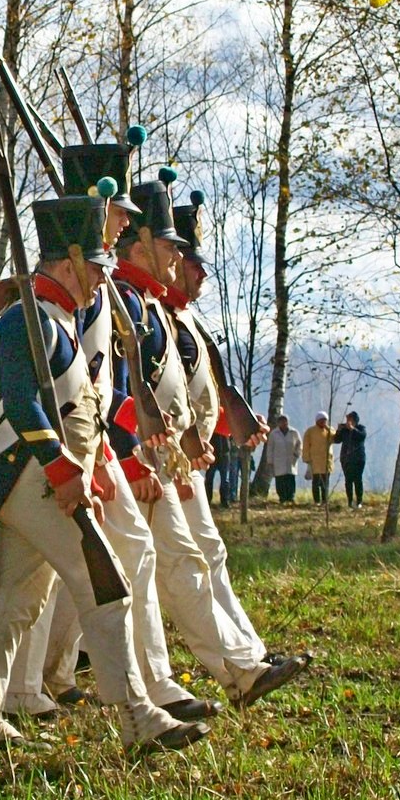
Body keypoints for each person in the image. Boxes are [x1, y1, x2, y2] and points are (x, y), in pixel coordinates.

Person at [0, 192, 207, 751]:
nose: (102, 277)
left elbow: (79, 406)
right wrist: (61, 464)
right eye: (96, 266)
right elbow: (23, 403)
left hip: (46, 477)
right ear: (69, 262)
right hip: (30, 475)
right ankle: (138, 713)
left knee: (19, 598)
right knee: (105, 580)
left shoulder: (60, 320)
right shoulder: (25, 319)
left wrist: (83, 465)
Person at [5, 157, 218, 726]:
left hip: (91, 450)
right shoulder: (37, 308)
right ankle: (121, 704)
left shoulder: (91, 296)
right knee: (50, 588)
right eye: (117, 213)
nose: (124, 224)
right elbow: (23, 392)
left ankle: (33, 691)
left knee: (70, 580)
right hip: (43, 464)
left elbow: (98, 384)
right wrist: (68, 459)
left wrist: (110, 448)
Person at [165, 186, 307, 688]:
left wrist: (226, 424)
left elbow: (194, 391)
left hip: (183, 459)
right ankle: (241, 668)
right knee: (170, 566)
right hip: (156, 460)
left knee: (203, 556)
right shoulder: (152, 314)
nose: (202, 273)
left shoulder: (181, 317)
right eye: (190, 262)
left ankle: (250, 658)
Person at [333, 411, 367, 508]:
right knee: (348, 480)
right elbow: (337, 440)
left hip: (358, 459)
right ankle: (350, 501)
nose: (348, 421)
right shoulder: (344, 430)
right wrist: (338, 431)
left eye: (350, 419)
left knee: (358, 480)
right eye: (347, 419)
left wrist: (352, 429)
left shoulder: (361, 428)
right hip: (346, 459)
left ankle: (359, 501)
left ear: (355, 421)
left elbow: (361, 436)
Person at [302, 411, 334, 505]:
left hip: (326, 461)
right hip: (315, 461)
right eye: (322, 420)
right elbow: (306, 445)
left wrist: (328, 429)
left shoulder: (329, 430)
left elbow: (335, 438)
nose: (323, 422)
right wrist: (306, 458)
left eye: (325, 420)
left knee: (325, 483)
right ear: (317, 421)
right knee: (316, 483)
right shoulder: (310, 431)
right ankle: (317, 501)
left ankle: (325, 500)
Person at [268, 414, 301, 504]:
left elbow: (299, 444)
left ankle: (291, 497)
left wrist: (296, 454)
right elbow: (270, 448)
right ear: (278, 423)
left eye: (285, 421)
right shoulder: (274, 434)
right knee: (280, 480)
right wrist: (270, 461)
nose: (284, 423)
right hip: (278, 460)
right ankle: (282, 498)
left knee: (290, 479)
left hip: (291, 459)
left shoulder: (294, 432)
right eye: (281, 422)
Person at [206, 431, 233, 507]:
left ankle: (225, 501)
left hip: (225, 453)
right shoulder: (213, 424)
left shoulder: (226, 424)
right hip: (213, 454)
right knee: (209, 478)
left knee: (225, 479)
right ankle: (208, 500)